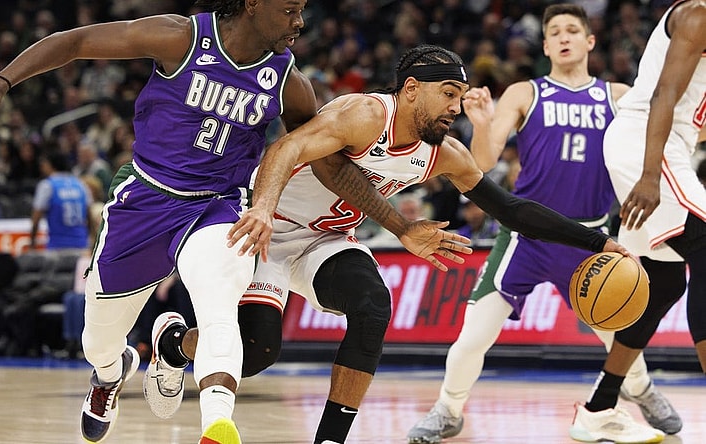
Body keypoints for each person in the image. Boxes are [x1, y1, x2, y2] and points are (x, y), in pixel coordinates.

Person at [148, 43, 629, 444]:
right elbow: (285, 147)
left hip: (326, 238)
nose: (456, 107)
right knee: (255, 352)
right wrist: (261, 208)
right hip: (269, 227)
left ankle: (330, 440)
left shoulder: (444, 153)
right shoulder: (364, 114)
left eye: (460, 97)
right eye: (448, 93)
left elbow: (512, 209)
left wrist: (597, 241)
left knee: (374, 306)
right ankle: (172, 344)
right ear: (412, 88)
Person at [0, 1, 329, 442]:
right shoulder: (181, 38)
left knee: (219, 307)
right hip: (145, 200)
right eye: (290, 9)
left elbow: (311, 152)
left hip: (218, 206)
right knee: (97, 343)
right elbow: (76, 42)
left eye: (302, 9)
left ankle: (217, 427)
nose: (300, 21)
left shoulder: (289, 83)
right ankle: (111, 372)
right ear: (253, 4)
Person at [405, 5, 680, 444]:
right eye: (555, 32)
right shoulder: (523, 92)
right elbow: (483, 162)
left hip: (589, 240)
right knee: (473, 336)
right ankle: (448, 410)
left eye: (573, 29)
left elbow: (662, 134)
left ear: (590, 41)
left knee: (619, 333)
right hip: (526, 237)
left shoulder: (618, 96)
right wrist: (481, 125)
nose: (564, 37)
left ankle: (641, 389)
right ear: (546, 46)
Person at [573, 1, 706, 442]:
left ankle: (598, 410)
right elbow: (663, 96)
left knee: (663, 282)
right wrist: (649, 176)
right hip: (648, 145)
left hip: (667, 148)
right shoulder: (699, 15)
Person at [30, 151, 92, 251]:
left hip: (57, 246)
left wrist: (32, 242)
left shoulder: (47, 185)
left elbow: (36, 217)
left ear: (51, 165)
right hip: (81, 244)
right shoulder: (81, 184)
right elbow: (89, 215)